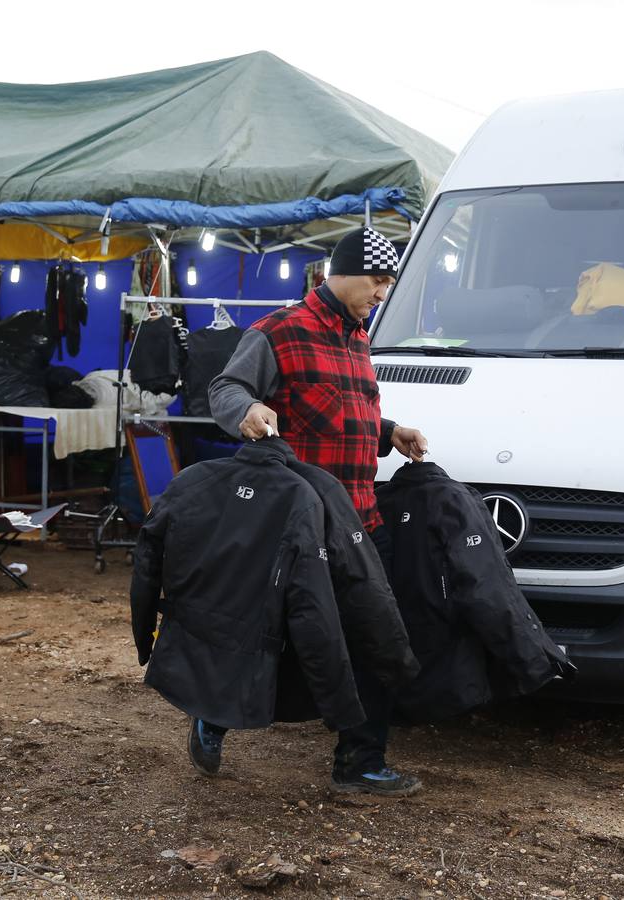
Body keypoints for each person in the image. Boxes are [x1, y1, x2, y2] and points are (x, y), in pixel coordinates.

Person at [206, 226, 429, 797]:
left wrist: (388, 431)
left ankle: (360, 762)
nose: (382, 293)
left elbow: (340, 411)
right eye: (378, 281)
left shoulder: (358, 339)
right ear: (346, 271)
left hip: (362, 519)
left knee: (373, 637)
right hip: (300, 525)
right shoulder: (279, 331)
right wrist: (248, 409)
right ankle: (214, 712)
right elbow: (225, 388)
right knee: (270, 635)